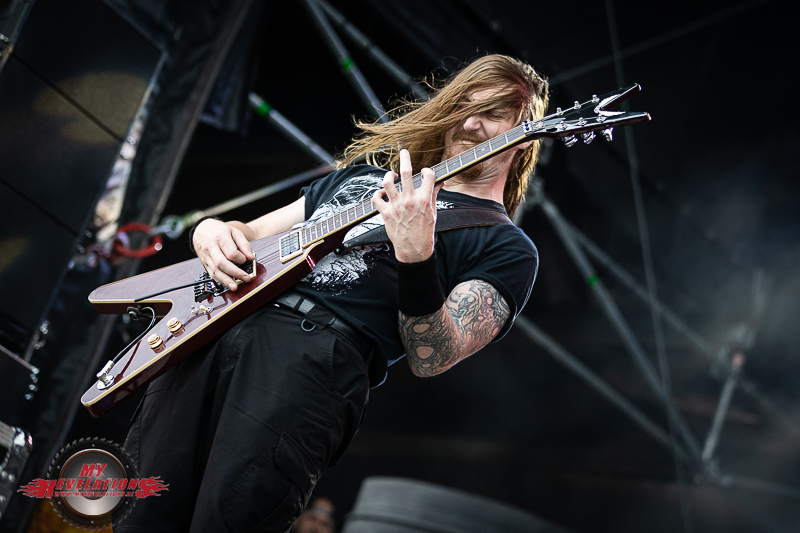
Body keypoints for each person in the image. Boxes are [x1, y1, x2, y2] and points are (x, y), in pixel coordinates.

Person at [117, 54, 548, 533]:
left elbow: (433, 354)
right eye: (464, 106)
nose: (469, 123)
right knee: (140, 513)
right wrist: (212, 230)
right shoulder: (362, 180)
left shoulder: (506, 246)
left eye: (491, 114)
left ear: (525, 136)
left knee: (229, 518)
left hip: (308, 362)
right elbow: (252, 232)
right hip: (214, 331)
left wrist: (416, 254)